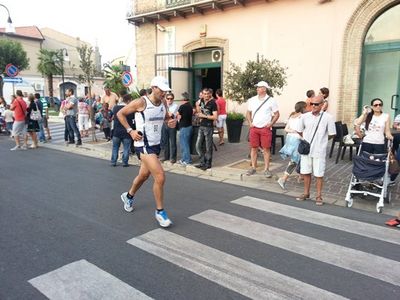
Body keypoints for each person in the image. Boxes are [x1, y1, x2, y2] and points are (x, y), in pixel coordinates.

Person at [117, 75, 176, 228]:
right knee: (160, 177)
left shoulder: (163, 103)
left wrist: (170, 121)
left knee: (143, 176)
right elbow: (120, 114)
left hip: (155, 145)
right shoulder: (141, 102)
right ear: (154, 88)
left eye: (166, 91)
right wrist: (130, 131)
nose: (164, 94)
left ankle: (128, 196)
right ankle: (160, 211)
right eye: (162, 90)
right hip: (143, 144)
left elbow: (164, 117)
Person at [296, 95, 336, 205]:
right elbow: (299, 130)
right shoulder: (304, 116)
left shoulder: (328, 117)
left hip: (319, 150)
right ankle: (306, 193)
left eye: (316, 104)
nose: (313, 106)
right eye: (311, 104)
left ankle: (319, 196)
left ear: (322, 105)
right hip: (306, 149)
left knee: (319, 174)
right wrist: (305, 140)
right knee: (305, 172)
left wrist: (322, 141)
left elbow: (332, 134)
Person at [354, 98, 395, 184]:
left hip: (379, 143)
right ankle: (364, 180)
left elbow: (387, 131)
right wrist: (364, 113)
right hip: (367, 142)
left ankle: (374, 180)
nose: (378, 106)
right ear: (372, 106)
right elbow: (357, 123)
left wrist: (391, 137)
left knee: (377, 163)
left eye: (380, 104)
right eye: (376, 105)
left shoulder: (386, 116)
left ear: (382, 106)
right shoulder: (368, 115)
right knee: (365, 162)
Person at [246, 81, 280, 178]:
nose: (257, 89)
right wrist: (250, 123)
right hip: (254, 127)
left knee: (266, 149)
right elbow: (248, 112)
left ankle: (266, 169)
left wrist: (271, 123)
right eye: (257, 87)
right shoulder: (252, 100)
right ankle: (253, 167)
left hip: (265, 128)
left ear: (264, 89)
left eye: (259, 87)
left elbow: (277, 114)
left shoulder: (271, 100)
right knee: (253, 148)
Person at [277, 101, 307, 189]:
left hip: (290, 139)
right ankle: (283, 179)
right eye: (306, 107)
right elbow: (301, 130)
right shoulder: (302, 117)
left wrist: (293, 131)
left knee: (301, 157)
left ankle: (301, 176)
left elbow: (286, 129)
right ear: (303, 108)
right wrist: (298, 133)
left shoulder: (292, 116)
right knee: (294, 160)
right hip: (297, 140)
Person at [195, 88, 218, 170]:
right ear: (202, 94)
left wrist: (204, 116)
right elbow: (199, 111)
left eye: (208, 94)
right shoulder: (201, 101)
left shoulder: (213, 103)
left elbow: (215, 116)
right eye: (204, 94)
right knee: (198, 145)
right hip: (201, 126)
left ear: (210, 94)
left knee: (208, 146)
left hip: (208, 127)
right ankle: (202, 161)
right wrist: (197, 107)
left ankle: (208, 163)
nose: (206, 95)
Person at [111, 94, 133, 167]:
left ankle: (113, 161)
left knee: (115, 147)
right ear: (128, 100)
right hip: (126, 131)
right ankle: (125, 162)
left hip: (116, 131)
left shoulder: (115, 108)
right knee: (126, 148)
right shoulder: (129, 108)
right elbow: (132, 120)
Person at [161, 92, 178, 163]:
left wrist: (166, 110)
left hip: (172, 124)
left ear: (173, 99)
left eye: (171, 99)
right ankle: (166, 156)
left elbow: (170, 114)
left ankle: (173, 157)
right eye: (168, 99)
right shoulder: (163, 105)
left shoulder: (175, 106)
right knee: (165, 141)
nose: (169, 100)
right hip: (164, 123)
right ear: (166, 99)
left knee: (173, 141)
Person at [177, 92, 193, 165]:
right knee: (185, 143)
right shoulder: (190, 106)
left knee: (184, 144)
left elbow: (177, 115)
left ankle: (187, 160)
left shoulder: (182, 106)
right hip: (189, 126)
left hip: (184, 127)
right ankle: (184, 158)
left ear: (183, 99)